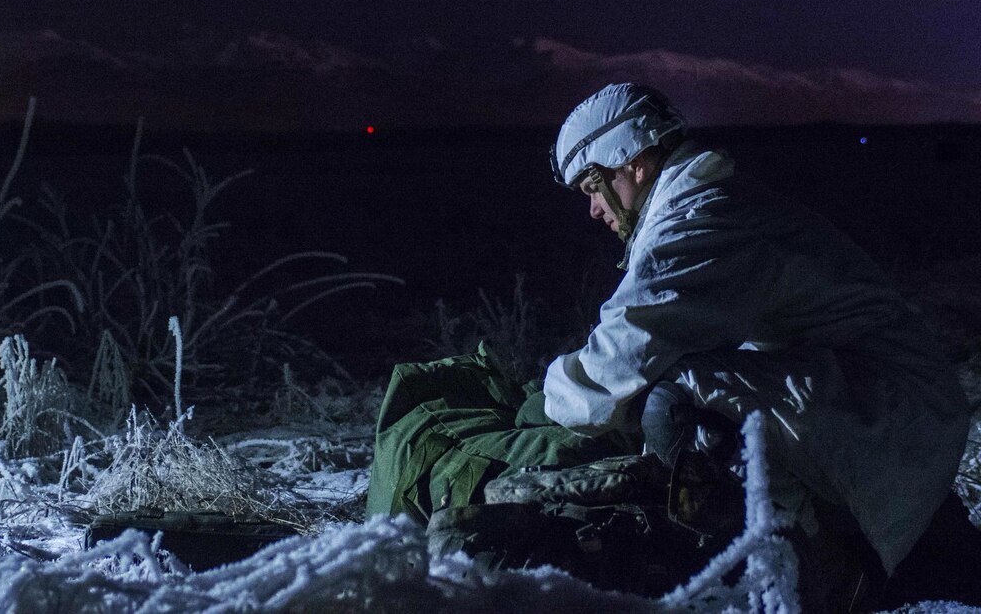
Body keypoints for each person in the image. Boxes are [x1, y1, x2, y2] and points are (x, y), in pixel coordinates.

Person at [368, 82, 970, 604]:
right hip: (880, 396)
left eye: (592, 187)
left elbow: (611, 369)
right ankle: (823, 532)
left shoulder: (701, 222)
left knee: (672, 398)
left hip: (893, 405)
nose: (595, 209)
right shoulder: (704, 207)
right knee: (677, 388)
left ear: (632, 161)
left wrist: (541, 403)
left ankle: (802, 554)